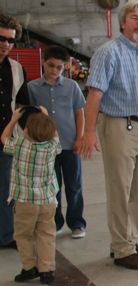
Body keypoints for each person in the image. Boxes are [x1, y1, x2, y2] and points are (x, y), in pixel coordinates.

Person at [77, 0, 138, 270]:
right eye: (135, 17)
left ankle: (128, 239)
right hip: (118, 126)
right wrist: (88, 132)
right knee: (119, 188)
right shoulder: (108, 53)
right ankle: (122, 249)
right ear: (123, 23)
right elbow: (94, 94)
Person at [27, 45, 87, 239]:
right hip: (46, 147)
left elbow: (79, 113)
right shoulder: (32, 87)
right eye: (50, 65)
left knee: (74, 185)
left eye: (59, 67)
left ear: (65, 67)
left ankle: (77, 223)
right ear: (43, 62)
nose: (54, 70)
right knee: (53, 187)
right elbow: (30, 116)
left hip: (70, 145)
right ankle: (56, 221)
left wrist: (80, 138)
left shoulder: (71, 87)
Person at [2, 108, 61, 284]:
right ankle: (47, 270)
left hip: (24, 202)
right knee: (46, 234)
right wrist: (46, 115)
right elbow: (55, 134)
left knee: (23, 235)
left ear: (26, 130)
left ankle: (29, 268)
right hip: (47, 201)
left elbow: (3, 137)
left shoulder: (20, 145)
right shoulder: (52, 147)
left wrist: (13, 120)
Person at [0, 13, 31, 249]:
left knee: (6, 190)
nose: (6, 45)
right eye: (1, 39)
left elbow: (22, 105)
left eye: (10, 40)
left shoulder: (17, 69)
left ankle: (6, 235)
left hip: (6, 140)